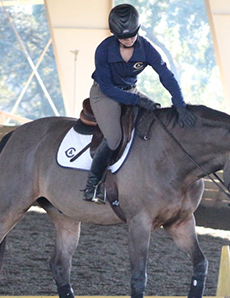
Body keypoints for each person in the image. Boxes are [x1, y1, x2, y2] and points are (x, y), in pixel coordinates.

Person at [82, 3, 196, 202]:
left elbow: (166, 76)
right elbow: (108, 88)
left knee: (157, 119)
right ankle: (92, 183)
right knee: (115, 138)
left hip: (131, 90)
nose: (130, 39)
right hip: (104, 94)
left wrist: (180, 105)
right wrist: (137, 101)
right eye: (124, 36)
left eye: (133, 34)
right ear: (115, 34)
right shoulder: (103, 50)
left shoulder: (147, 48)